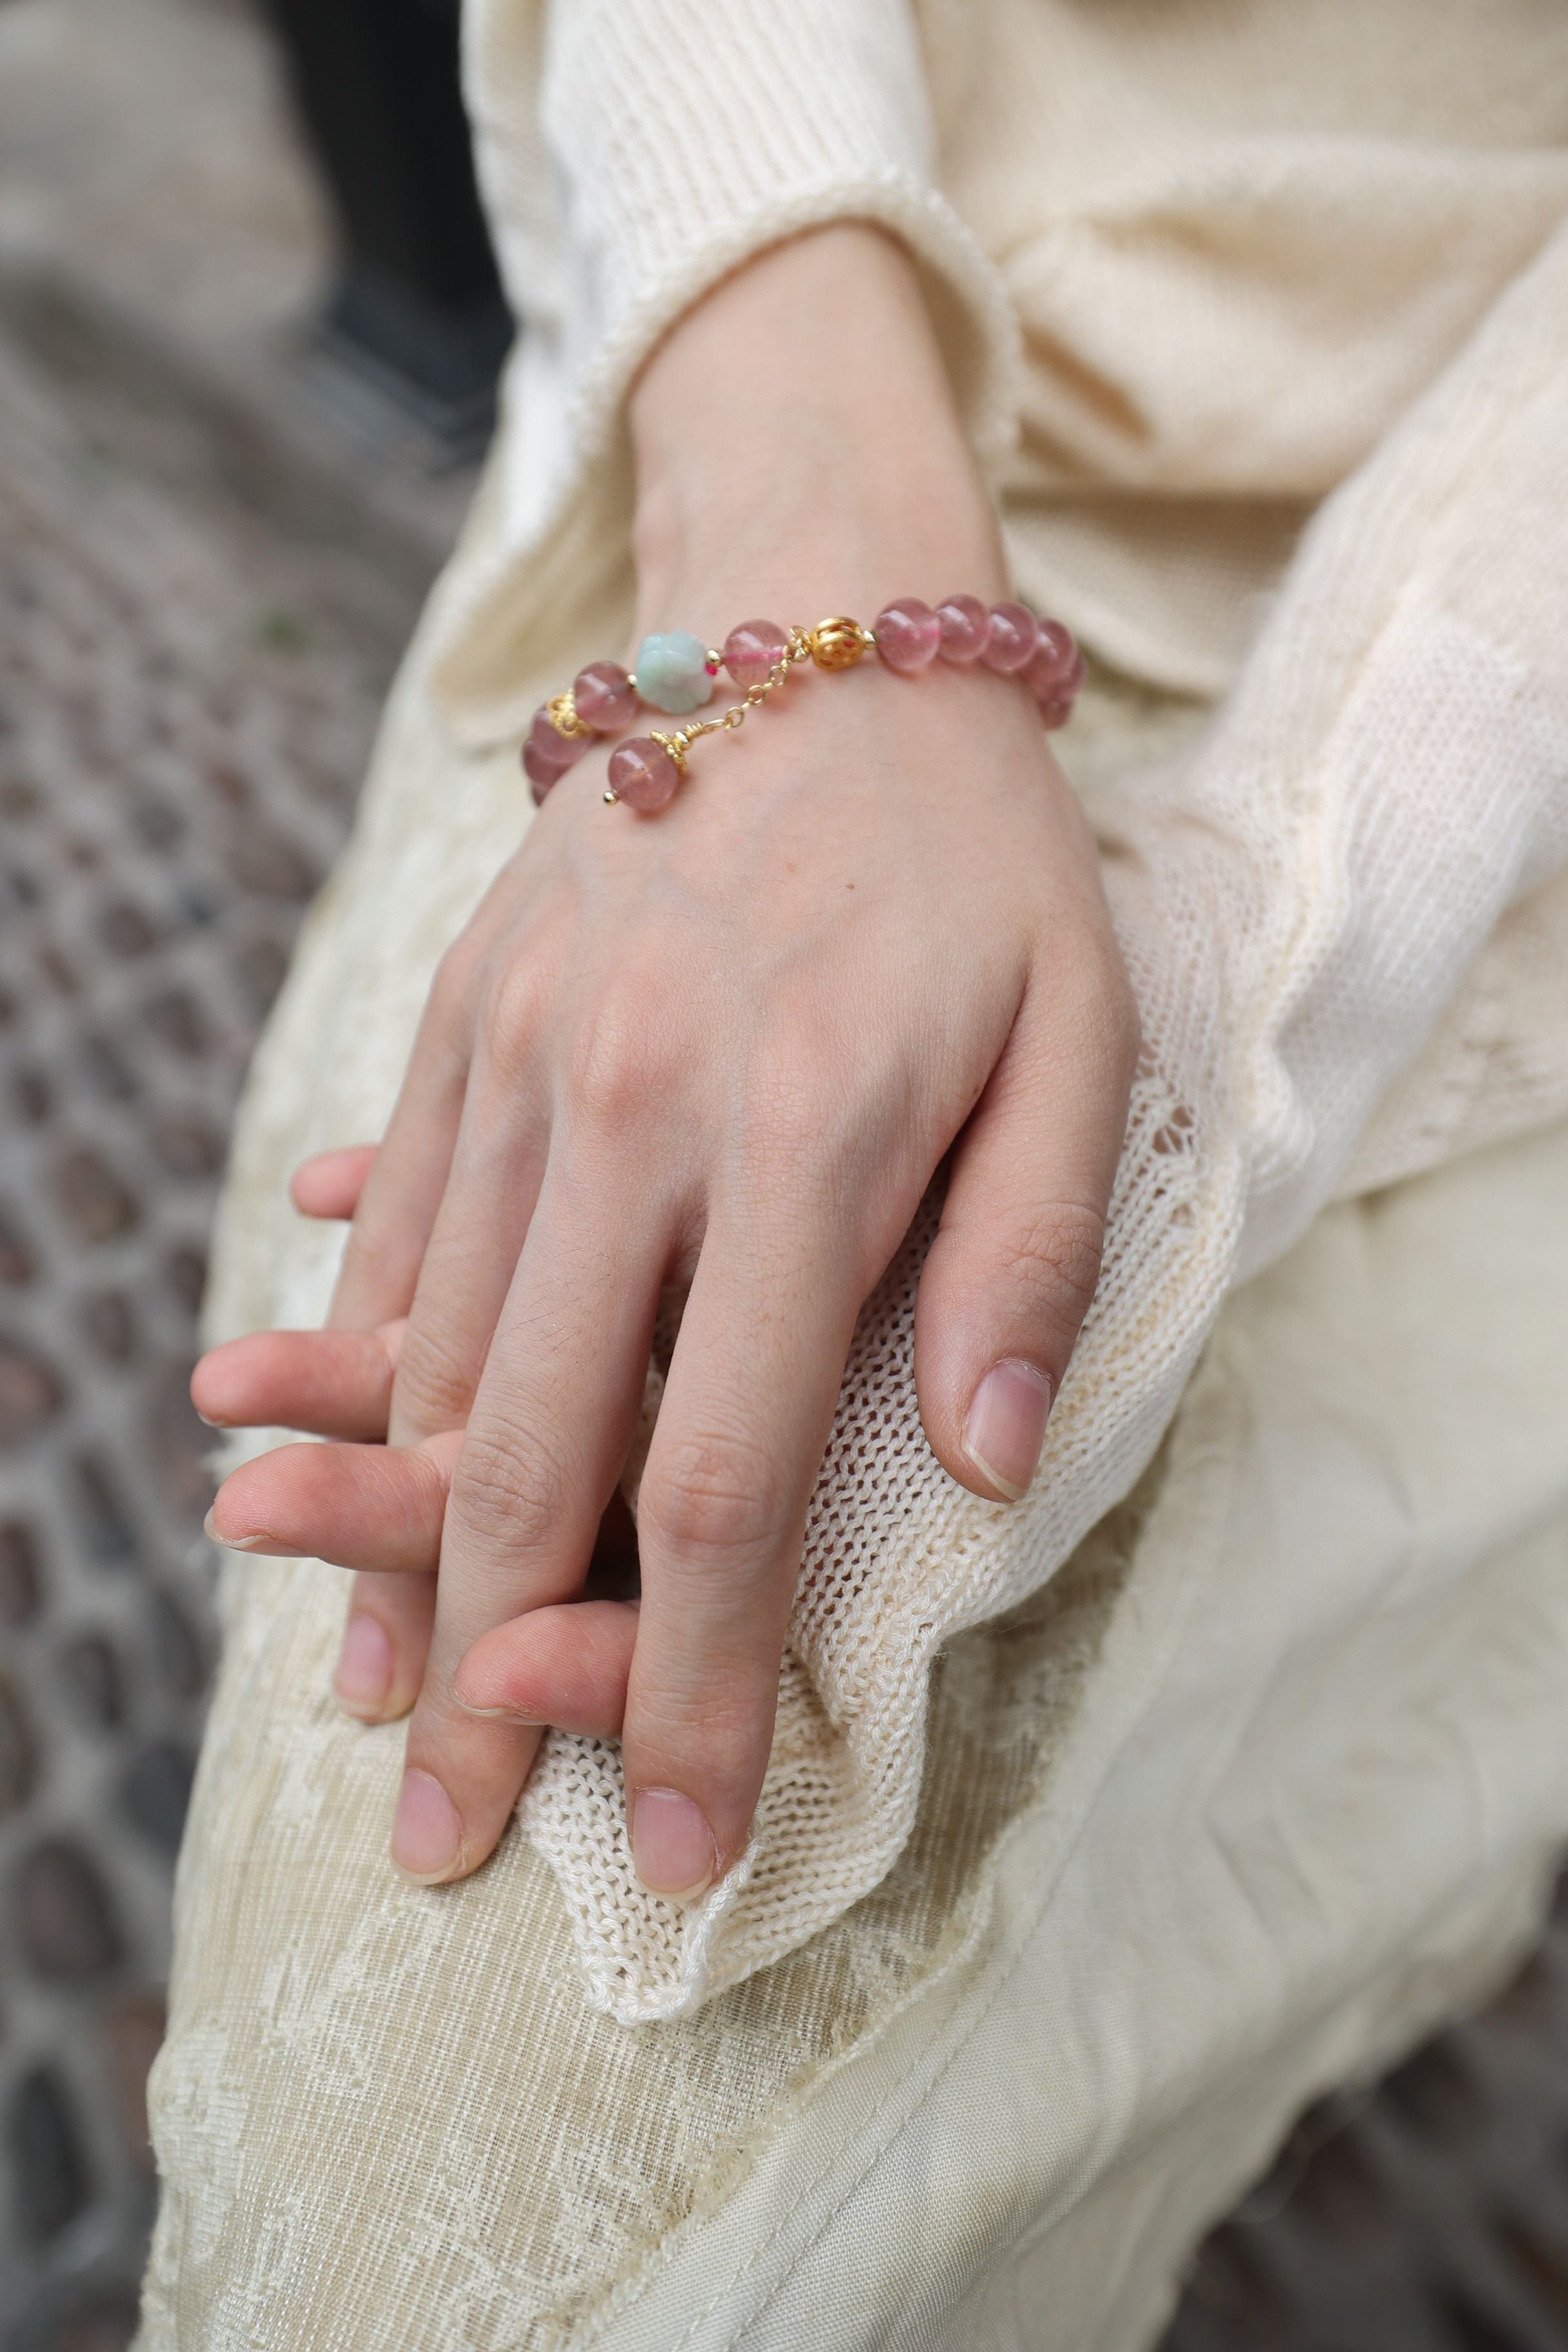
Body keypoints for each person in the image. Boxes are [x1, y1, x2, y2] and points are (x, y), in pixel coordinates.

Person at [136, 3, 1568, 2344]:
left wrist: (1212, 1035)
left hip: (1500, 766)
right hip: (766, 409)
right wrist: (808, 531)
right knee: (409, 2081)